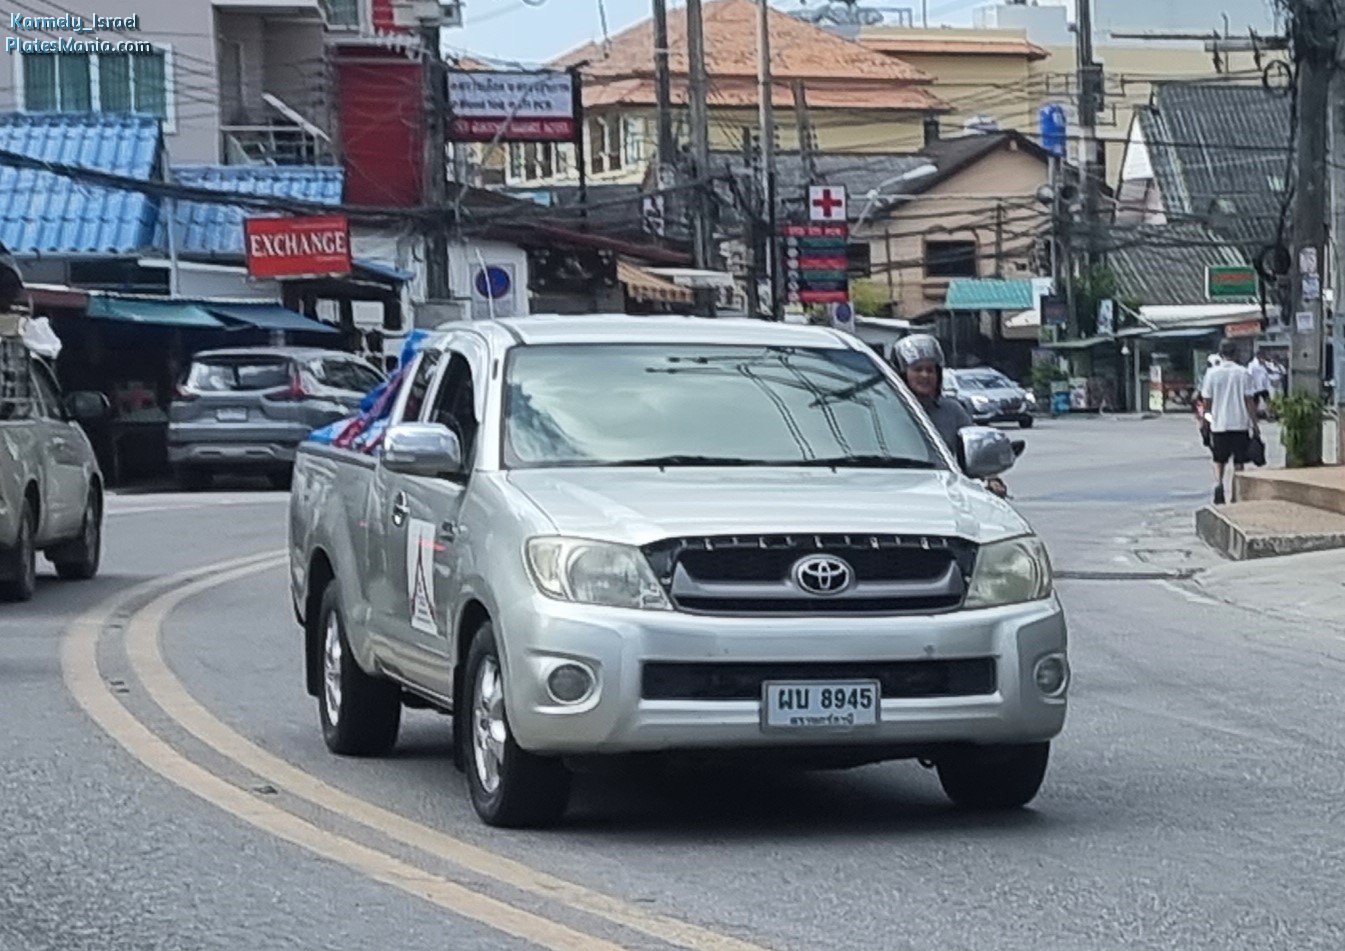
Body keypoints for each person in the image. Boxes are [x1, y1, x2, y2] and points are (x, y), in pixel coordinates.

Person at [893, 334, 1009, 499]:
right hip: (899, 490)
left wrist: (992, 478)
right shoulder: (887, 411)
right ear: (903, 374)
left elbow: (976, 448)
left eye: (930, 370)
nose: (925, 376)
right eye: (918, 370)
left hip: (946, 491)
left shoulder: (951, 409)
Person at [1200, 337, 1260, 505]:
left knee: (1219, 460)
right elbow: (1249, 401)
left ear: (1221, 353)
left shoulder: (1212, 374)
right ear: (1236, 353)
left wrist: (1206, 422)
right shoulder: (1243, 373)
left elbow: (1207, 403)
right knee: (1239, 462)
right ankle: (1235, 494)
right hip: (1240, 424)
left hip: (1219, 424)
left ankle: (1219, 484)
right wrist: (1255, 425)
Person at [1247, 348, 1272, 419]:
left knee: (1268, 401)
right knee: (1255, 402)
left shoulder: (1265, 364)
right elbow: (1249, 374)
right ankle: (1254, 416)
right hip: (1255, 387)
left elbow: (1269, 372)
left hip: (1264, 386)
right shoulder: (1252, 364)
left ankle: (1269, 415)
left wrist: (1265, 365)